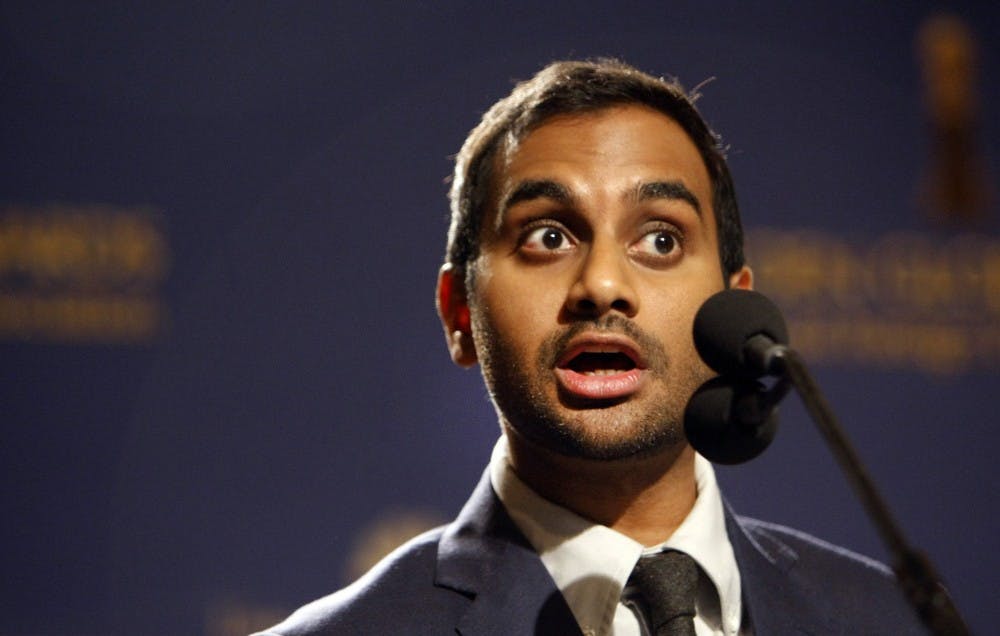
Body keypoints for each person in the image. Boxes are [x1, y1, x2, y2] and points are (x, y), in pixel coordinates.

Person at [256, 59, 926, 635]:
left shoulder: (895, 621)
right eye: (547, 236)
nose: (603, 284)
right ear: (459, 312)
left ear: (735, 306)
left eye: (660, 239)